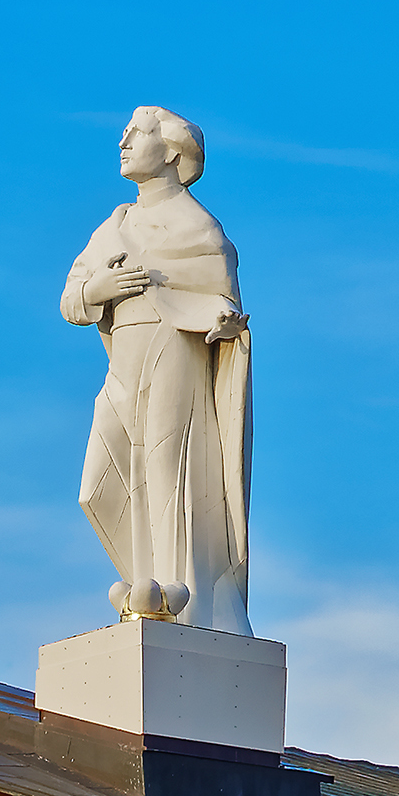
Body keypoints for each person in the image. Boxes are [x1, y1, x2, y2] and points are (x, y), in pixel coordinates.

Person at [63, 105, 253, 633]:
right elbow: (72, 300)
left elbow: (221, 298)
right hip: (123, 360)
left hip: (173, 349)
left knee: (169, 473)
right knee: (99, 485)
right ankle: (144, 578)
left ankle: (177, 592)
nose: (123, 142)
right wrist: (97, 289)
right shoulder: (115, 226)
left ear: (171, 151)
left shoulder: (201, 229)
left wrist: (223, 322)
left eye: (136, 133)